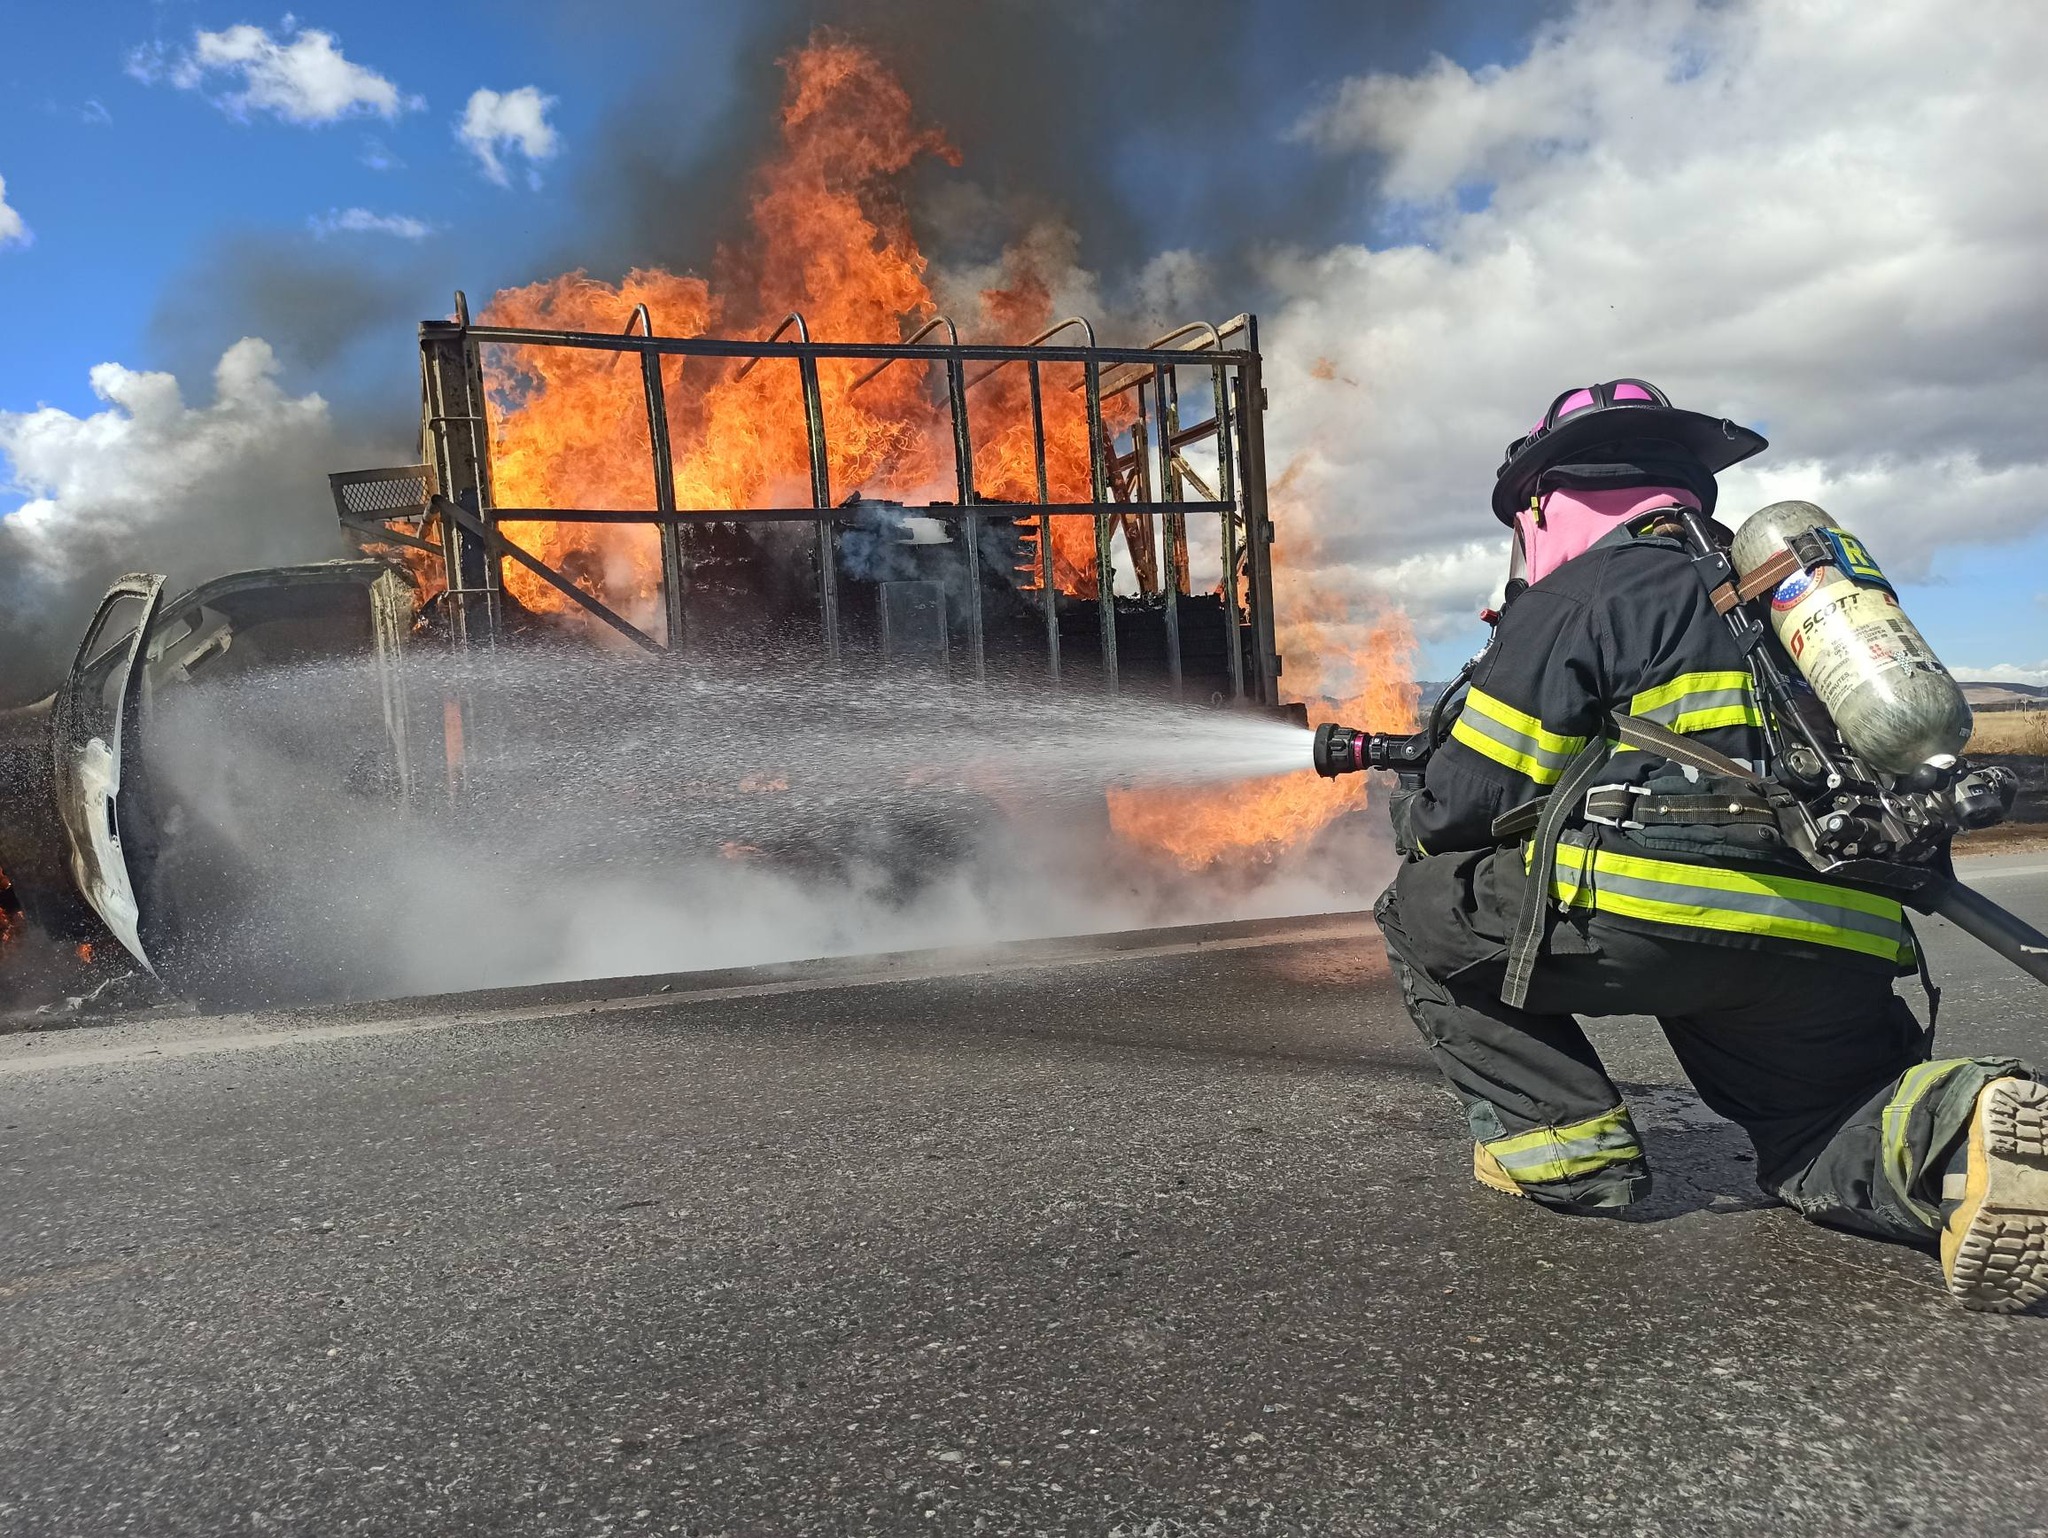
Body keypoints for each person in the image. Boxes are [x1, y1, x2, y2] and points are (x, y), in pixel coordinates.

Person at [1371, 378, 2048, 1312]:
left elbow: (1461, 807)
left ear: (1544, 501)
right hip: (1838, 930)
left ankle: (1567, 1153)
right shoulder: (1788, 598)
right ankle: (1964, 1134)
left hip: (1653, 917)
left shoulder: (1587, 590)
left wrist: (1415, 808)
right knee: (1818, 1125)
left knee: (1421, 901)